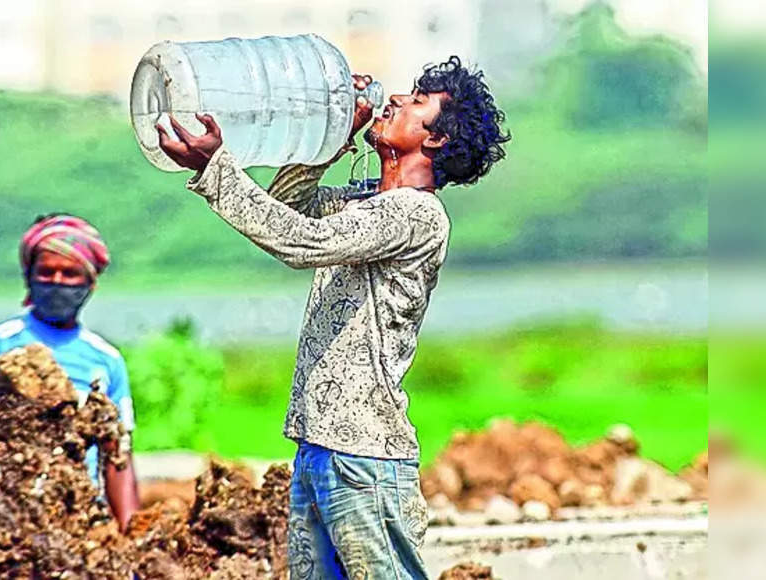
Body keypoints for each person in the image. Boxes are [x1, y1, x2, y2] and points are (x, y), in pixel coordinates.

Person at [156, 56, 509, 578]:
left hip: (364, 455)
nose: (395, 101)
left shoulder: (416, 214)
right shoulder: (365, 203)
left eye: (415, 103)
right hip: (320, 445)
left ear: (434, 140)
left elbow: (302, 241)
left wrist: (216, 168)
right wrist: (331, 137)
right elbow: (287, 205)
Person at [0, 214, 140, 531]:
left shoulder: (106, 360)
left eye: (70, 274)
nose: (56, 281)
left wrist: (132, 532)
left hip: (79, 513)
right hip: (5, 509)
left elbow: (118, 458)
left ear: (90, 283)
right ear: (29, 276)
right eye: (46, 272)